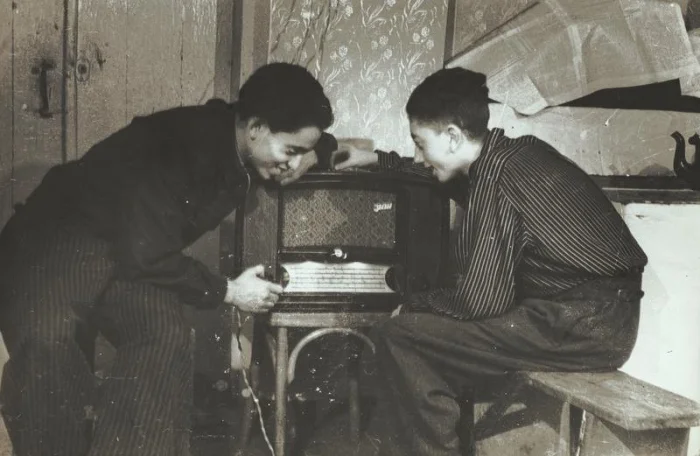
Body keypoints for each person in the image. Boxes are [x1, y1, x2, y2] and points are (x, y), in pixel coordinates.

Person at [0, 62, 335, 456]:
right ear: (256, 128)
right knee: (48, 342)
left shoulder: (239, 131)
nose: (293, 164)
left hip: (127, 253)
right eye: (292, 152)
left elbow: (141, 250)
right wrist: (229, 290)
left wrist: (320, 151)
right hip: (59, 240)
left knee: (164, 335)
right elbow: (147, 252)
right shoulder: (184, 144)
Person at [334, 68, 648, 456]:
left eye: (420, 143)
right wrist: (378, 160)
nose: (418, 155)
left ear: (452, 136)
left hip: (580, 324)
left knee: (398, 335)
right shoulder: (513, 155)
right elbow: (444, 174)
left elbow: (480, 302)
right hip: (597, 319)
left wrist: (416, 304)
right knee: (421, 334)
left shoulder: (496, 175)